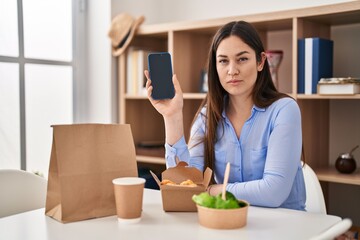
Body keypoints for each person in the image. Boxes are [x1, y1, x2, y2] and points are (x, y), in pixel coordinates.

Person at [144, 20, 306, 211]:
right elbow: (185, 183)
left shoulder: (284, 110)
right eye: (223, 61)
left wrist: (212, 190)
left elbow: (274, 192)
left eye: (242, 59)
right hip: (230, 222)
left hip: (285, 226)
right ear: (215, 66)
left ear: (261, 61)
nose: (232, 70)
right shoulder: (207, 117)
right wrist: (172, 116)